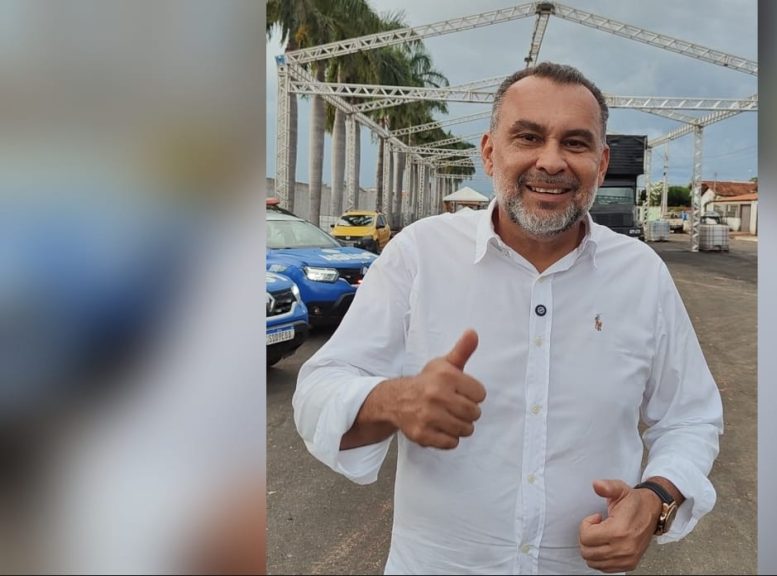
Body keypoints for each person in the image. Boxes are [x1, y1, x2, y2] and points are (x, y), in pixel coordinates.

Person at [294, 62, 723, 575]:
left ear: (602, 162)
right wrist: (393, 400)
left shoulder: (641, 274)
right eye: (528, 137)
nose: (552, 161)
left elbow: (690, 417)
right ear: (490, 151)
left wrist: (656, 499)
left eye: (576, 143)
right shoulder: (420, 254)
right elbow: (318, 390)